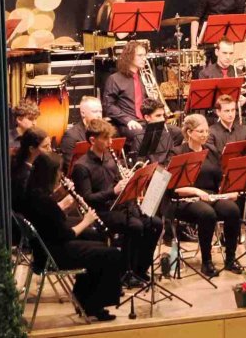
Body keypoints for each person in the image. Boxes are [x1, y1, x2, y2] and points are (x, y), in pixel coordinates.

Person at [15, 153, 122, 321]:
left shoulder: (32, 193)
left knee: (96, 242)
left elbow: (51, 221)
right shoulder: (43, 201)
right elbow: (65, 234)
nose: (61, 176)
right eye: (59, 172)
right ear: (50, 174)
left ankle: (84, 297)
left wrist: (62, 203)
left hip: (44, 250)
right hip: (54, 256)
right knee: (111, 253)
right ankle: (93, 304)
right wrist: (86, 221)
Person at [71, 119, 163, 287]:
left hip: (120, 206)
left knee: (155, 223)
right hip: (100, 212)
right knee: (135, 226)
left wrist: (129, 179)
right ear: (93, 140)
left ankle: (140, 268)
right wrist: (113, 191)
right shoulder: (81, 166)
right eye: (106, 139)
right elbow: (86, 199)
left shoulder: (110, 158)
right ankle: (125, 272)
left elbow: (119, 182)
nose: (110, 142)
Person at [167, 114, 243, 276]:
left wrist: (228, 191)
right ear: (189, 132)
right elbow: (173, 187)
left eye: (206, 131)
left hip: (208, 196)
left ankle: (230, 258)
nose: (204, 135)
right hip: (183, 198)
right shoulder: (177, 152)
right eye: (200, 131)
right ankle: (206, 261)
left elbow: (219, 180)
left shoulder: (212, 152)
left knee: (232, 210)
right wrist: (196, 191)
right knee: (207, 214)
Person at [102, 40, 150, 138]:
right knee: (142, 136)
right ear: (129, 57)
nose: (144, 58)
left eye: (144, 55)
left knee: (175, 132)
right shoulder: (114, 79)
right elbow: (108, 105)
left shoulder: (144, 77)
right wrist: (127, 120)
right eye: (140, 55)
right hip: (126, 123)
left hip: (146, 120)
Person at [61, 97, 103, 171]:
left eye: (100, 111)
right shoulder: (71, 135)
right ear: (83, 113)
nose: (99, 115)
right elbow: (70, 167)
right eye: (95, 111)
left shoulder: (104, 132)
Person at [129, 98, 176, 165]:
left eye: (163, 115)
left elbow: (171, 157)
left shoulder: (167, 133)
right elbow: (140, 165)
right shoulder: (139, 138)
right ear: (147, 117)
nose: (162, 119)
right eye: (158, 116)